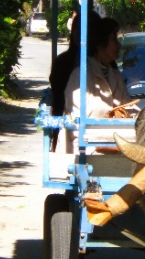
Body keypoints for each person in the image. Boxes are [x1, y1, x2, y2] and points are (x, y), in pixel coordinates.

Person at [64, 17, 138, 153]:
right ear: (99, 44)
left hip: (114, 146)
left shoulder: (113, 73)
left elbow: (128, 106)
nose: (119, 45)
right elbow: (75, 126)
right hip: (86, 150)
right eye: (114, 40)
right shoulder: (80, 76)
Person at [48, 10, 100, 151]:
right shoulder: (63, 62)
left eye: (87, 29)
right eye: (77, 28)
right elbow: (58, 95)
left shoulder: (105, 65)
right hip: (68, 125)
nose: (80, 34)